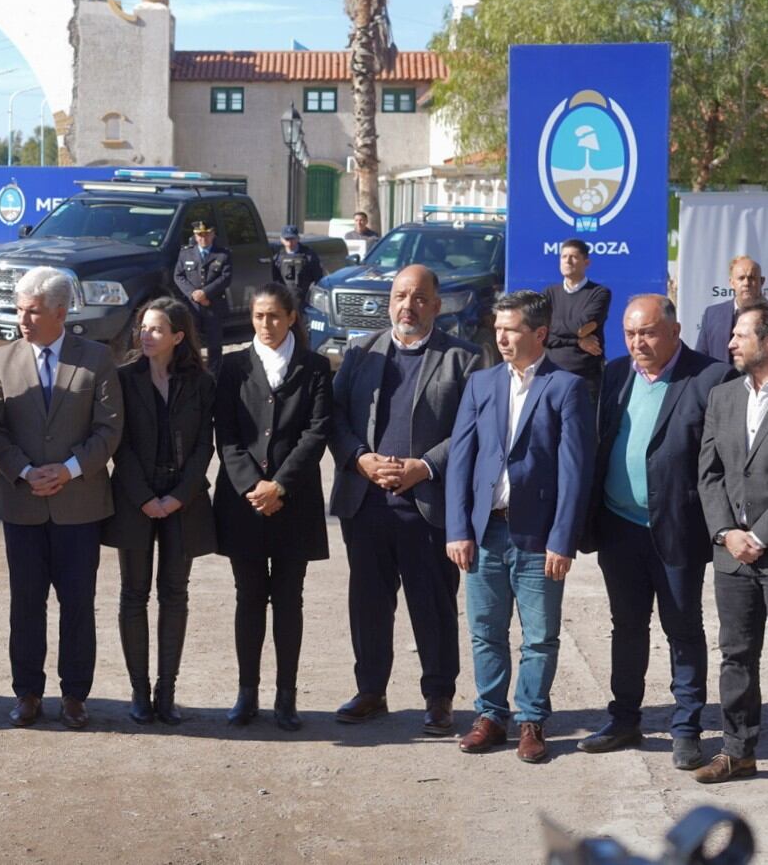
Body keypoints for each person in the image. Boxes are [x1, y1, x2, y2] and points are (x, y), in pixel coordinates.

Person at [577, 295, 729, 769]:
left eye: (647, 332)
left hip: (677, 530)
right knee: (627, 628)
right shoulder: (617, 373)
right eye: (629, 333)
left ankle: (687, 728)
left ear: (675, 329)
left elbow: (719, 463)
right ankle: (624, 719)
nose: (637, 342)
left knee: (683, 629)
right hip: (620, 526)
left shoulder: (709, 377)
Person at [328, 265, 480, 735]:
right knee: (369, 604)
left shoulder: (464, 359)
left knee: (431, 605)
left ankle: (438, 698)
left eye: (418, 298)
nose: (407, 307)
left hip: (427, 507)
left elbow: (474, 430)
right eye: (399, 297)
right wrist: (359, 459)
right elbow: (333, 417)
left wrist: (425, 466)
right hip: (366, 503)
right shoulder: (360, 352)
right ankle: (371, 690)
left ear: (436, 305)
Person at [446, 290, 594, 764]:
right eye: (498, 328)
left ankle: (532, 720)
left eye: (511, 329)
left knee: (539, 635)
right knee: (485, 631)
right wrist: (458, 529)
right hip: (485, 532)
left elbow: (576, 471)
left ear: (540, 334)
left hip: (538, 537)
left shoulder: (566, 388)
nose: (501, 336)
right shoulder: (481, 384)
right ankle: (490, 715)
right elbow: (461, 462)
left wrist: (563, 539)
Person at [0, 265, 123, 730]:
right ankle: (27, 693)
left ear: (61, 313)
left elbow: (109, 428)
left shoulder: (97, 359)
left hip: (79, 504)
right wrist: (24, 471)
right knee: (26, 602)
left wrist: (69, 469)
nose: (23, 319)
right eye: (20, 309)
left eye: (33, 311)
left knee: (78, 603)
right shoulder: (0, 361)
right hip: (22, 503)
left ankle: (75, 696)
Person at [213, 284, 331, 731]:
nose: (266, 325)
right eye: (259, 316)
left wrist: (279, 486)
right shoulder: (232, 366)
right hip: (243, 502)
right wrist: (253, 485)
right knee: (248, 598)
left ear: (291, 317)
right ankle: (247, 693)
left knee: (288, 600)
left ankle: (286, 696)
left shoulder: (315, 367)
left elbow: (317, 432)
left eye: (275, 316)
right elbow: (225, 433)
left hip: (293, 503)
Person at [104, 297, 215, 725]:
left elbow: (206, 444)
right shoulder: (124, 378)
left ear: (178, 337)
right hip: (136, 499)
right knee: (134, 594)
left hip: (181, 500)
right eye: (143, 328)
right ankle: (138, 693)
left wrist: (180, 495)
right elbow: (119, 442)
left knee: (175, 593)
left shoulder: (201, 383)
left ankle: (166, 692)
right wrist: (144, 496)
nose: (146, 336)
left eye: (155, 329)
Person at [694, 299, 768, 784]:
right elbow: (709, 474)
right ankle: (737, 751)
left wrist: (759, 535)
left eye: (740, 335)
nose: (729, 344)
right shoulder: (724, 397)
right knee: (736, 655)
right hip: (733, 557)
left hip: (759, 543)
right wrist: (726, 533)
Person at [542, 238, 612, 405]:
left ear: (586, 262)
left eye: (573, 257)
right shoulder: (549, 293)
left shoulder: (599, 293)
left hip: (585, 379)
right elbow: (542, 332)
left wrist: (557, 328)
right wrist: (577, 340)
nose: (567, 261)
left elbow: (581, 327)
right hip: (550, 375)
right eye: (564, 256)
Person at [172, 220, 231, 372]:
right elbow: (178, 276)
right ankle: (193, 369)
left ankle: (215, 372)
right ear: (195, 236)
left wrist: (205, 293)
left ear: (213, 235)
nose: (203, 238)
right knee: (191, 339)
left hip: (213, 304)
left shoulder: (223, 254)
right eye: (199, 235)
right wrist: (193, 294)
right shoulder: (186, 253)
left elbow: (226, 278)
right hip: (192, 306)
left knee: (215, 342)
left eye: (206, 234)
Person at [696, 256, 764, 364]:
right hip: (720, 381)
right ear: (732, 283)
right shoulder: (712, 315)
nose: (746, 283)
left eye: (752, 278)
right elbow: (700, 359)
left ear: (762, 281)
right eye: (741, 278)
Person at [271, 225, 323, 316]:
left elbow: (318, 278)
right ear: (281, 240)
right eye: (287, 239)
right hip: (285, 298)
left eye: (292, 239)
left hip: (304, 299)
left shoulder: (308, 255)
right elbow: (275, 279)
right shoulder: (278, 257)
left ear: (298, 238)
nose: (290, 242)